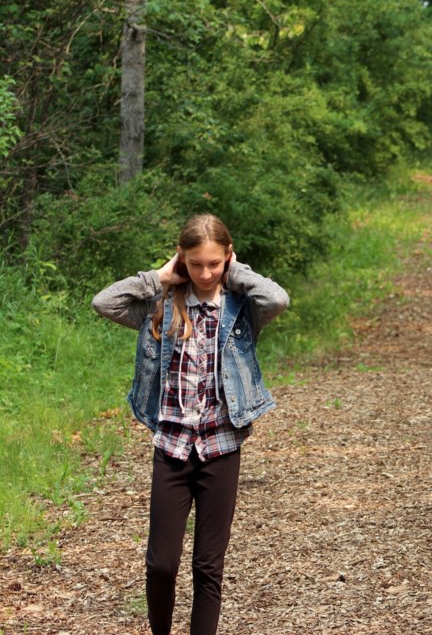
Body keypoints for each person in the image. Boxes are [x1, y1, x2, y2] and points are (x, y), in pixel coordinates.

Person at [92, 214, 289, 635]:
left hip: (220, 449)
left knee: (208, 567)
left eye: (214, 264)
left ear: (227, 259)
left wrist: (235, 272)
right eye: (195, 263)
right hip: (173, 450)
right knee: (161, 563)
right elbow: (104, 303)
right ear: (182, 259)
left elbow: (278, 299)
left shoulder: (240, 309)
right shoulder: (160, 304)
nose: (204, 273)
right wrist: (160, 276)